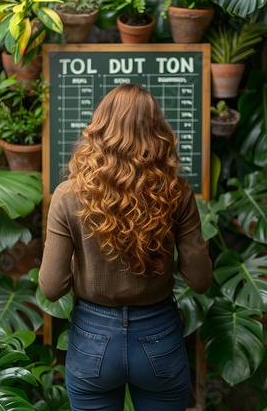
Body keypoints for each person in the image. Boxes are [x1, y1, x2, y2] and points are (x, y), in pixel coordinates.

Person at [38, 83, 213, 411]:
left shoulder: (67, 196)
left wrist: (85, 257)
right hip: (159, 337)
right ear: (157, 131)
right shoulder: (177, 193)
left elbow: (50, 288)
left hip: (92, 342)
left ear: (99, 129)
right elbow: (200, 280)